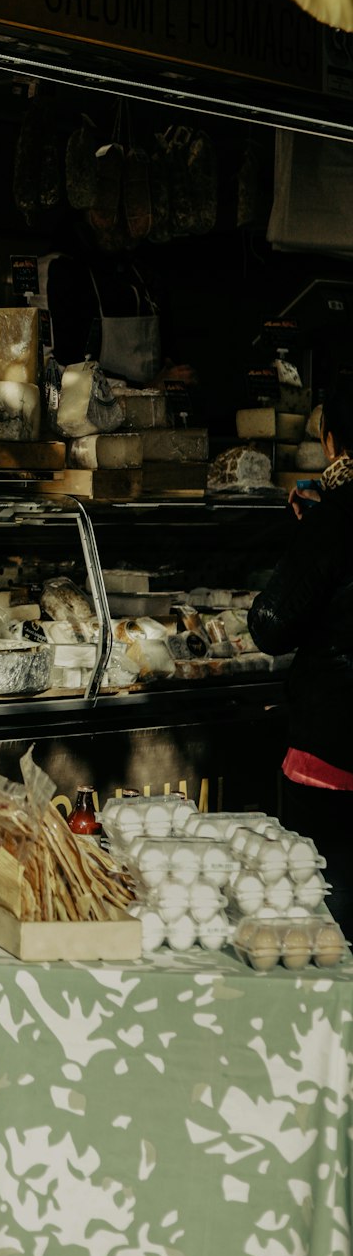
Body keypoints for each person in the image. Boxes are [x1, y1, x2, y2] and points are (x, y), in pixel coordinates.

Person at [249, 375, 353, 938]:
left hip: (333, 756)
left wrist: (311, 538)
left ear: (332, 443)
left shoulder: (337, 518)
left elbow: (271, 624)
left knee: (325, 925)